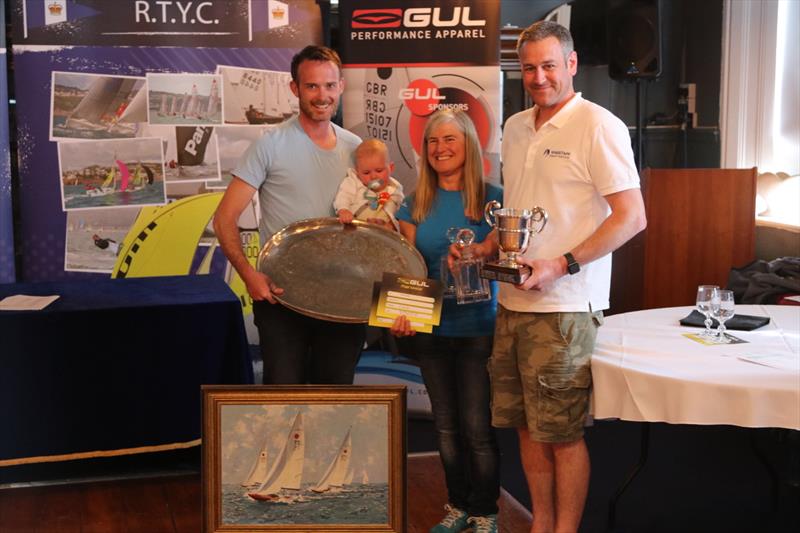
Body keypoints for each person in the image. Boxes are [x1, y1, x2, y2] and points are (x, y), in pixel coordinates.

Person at [452, 21, 647, 532]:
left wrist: (561, 264)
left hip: (565, 308)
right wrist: (483, 251)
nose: (539, 78)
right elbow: (520, 215)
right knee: (526, 430)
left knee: (560, 433)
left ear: (572, 64)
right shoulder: (516, 127)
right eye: (530, 68)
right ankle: (542, 524)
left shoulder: (599, 125)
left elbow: (631, 216)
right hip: (512, 305)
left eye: (549, 66)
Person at [213, 45, 365, 385]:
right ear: (295, 88)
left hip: (343, 298)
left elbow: (377, 218)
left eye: (329, 86)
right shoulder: (270, 144)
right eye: (312, 86)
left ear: (340, 86)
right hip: (281, 298)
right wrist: (248, 274)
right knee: (282, 402)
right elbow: (224, 219)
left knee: (335, 402)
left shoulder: (357, 148)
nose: (321, 95)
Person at [392, 109, 502, 533]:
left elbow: (502, 256)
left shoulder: (494, 199)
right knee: (445, 427)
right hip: (432, 331)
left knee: (477, 428)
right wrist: (399, 313)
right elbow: (407, 267)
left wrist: (477, 254)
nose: (440, 148)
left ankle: (485, 510)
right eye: (433, 141)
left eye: (450, 139)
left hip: (478, 329)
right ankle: (457, 505)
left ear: (469, 144)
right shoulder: (412, 203)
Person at [334, 139, 404, 229]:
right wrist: (343, 210)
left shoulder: (396, 189)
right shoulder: (354, 182)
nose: (373, 176)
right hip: (356, 228)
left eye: (379, 170)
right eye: (366, 173)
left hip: (383, 232)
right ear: (358, 172)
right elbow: (344, 195)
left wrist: (391, 225)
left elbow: (400, 216)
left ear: (391, 168)